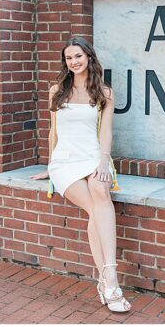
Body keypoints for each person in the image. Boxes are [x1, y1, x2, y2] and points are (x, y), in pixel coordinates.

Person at [30, 36, 131, 313]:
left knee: (100, 192)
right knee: (95, 208)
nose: (73, 62)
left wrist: (103, 162)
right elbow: (54, 131)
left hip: (93, 157)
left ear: (88, 57)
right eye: (68, 58)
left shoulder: (104, 93)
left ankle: (108, 278)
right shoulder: (56, 91)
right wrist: (50, 166)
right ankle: (110, 282)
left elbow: (106, 131)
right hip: (65, 161)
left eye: (78, 56)